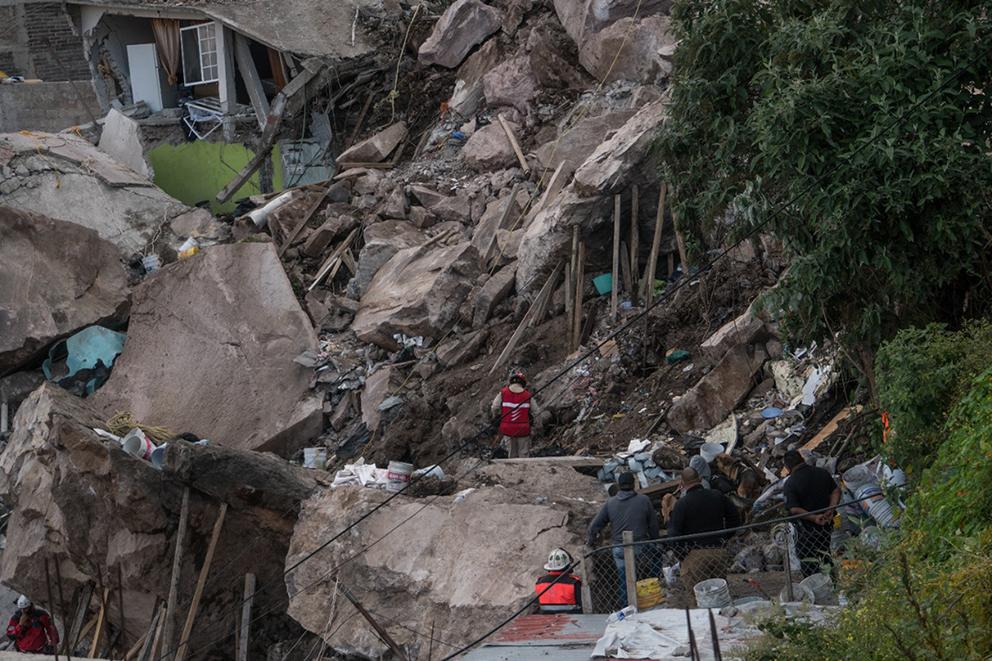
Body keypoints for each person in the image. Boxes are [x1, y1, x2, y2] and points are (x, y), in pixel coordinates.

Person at [667, 467, 741, 605]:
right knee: (718, 593)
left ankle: (705, 623)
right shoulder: (717, 495)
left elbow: (673, 534)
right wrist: (725, 537)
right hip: (718, 551)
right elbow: (735, 518)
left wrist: (681, 555)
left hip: (694, 555)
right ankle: (721, 619)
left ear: (681, 483)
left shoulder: (682, 504)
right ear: (700, 479)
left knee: (699, 597)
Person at [587, 472, 660, 606]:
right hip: (640, 548)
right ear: (633, 484)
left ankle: (626, 606)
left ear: (619, 486)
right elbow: (653, 525)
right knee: (654, 561)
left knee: (624, 580)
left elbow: (594, 526)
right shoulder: (644, 500)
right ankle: (651, 594)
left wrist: (590, 543)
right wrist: (656, 543)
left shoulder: (610, 503)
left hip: (619, 550)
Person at [782, 449, 841, 577]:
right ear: (802, 459)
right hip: (826, 526)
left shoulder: (790, 483)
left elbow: (794, 509)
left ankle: (816, 585)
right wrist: (830, 510)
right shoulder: (822, 473)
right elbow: (836, 491)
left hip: (805, 530)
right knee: (825, 554)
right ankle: (833, 582)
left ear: (787, 467)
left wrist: (814, 518)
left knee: (808, 562)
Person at [490, 371, 542, 458]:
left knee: (511, 455)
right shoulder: (527, 395)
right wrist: (538, 426)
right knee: (524, 455)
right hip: (523, 430)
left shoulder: (503, 393)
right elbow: (536, 411)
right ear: (523, 383)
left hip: (507, 430)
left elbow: (494, 407)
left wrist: (495, 416)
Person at [534, 548, 583, 614]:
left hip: (546, 621)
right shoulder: (574, 583)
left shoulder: (539, 582)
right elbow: (580, 605)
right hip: (570, 621)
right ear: (567, 566)